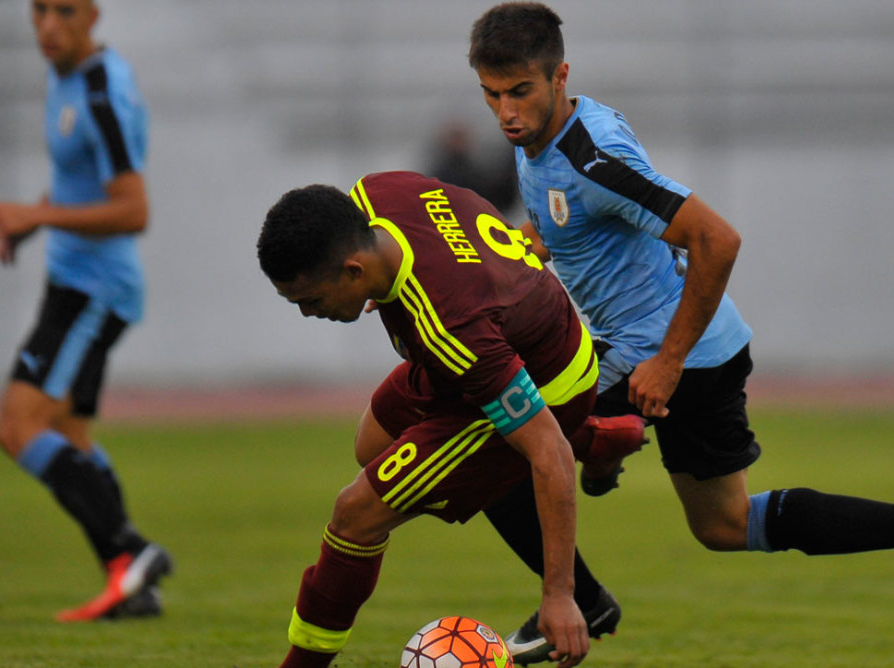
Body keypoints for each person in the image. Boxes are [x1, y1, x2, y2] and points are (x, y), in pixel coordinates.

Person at [468, 2, 894, 662]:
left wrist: (667, 361)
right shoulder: (549, 138)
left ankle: (578, 591)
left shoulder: (593, 157)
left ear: (559, 77)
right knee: (724, 524)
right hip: (709, 347)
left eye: (520, 92)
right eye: (492, 96)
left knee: (494, 453)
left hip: (661, 352)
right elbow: (570, 228)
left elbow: (717, 240)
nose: (507, 113)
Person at [257, 171, 647, 668]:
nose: (309, 314)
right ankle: (593, 438)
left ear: (356, 271)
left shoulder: (453, 326)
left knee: (356, 514)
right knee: (372, 447)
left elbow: (547, 453)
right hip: (488, 348)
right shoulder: (377, 192)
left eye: (311, 300)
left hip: (546, 381)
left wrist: (559, 596)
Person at [0, 0, 170, 622]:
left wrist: (38, 215)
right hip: (75, 284)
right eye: (38, 12)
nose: (48, 26)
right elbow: (82, 182)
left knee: (17, 427)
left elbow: (134, 211)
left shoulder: (106, 96)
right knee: (70, 436)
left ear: (93, 14)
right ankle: (131, 586)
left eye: (63, 11)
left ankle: (132, 552)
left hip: (94, 291)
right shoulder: (69, 80)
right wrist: (38, 218)